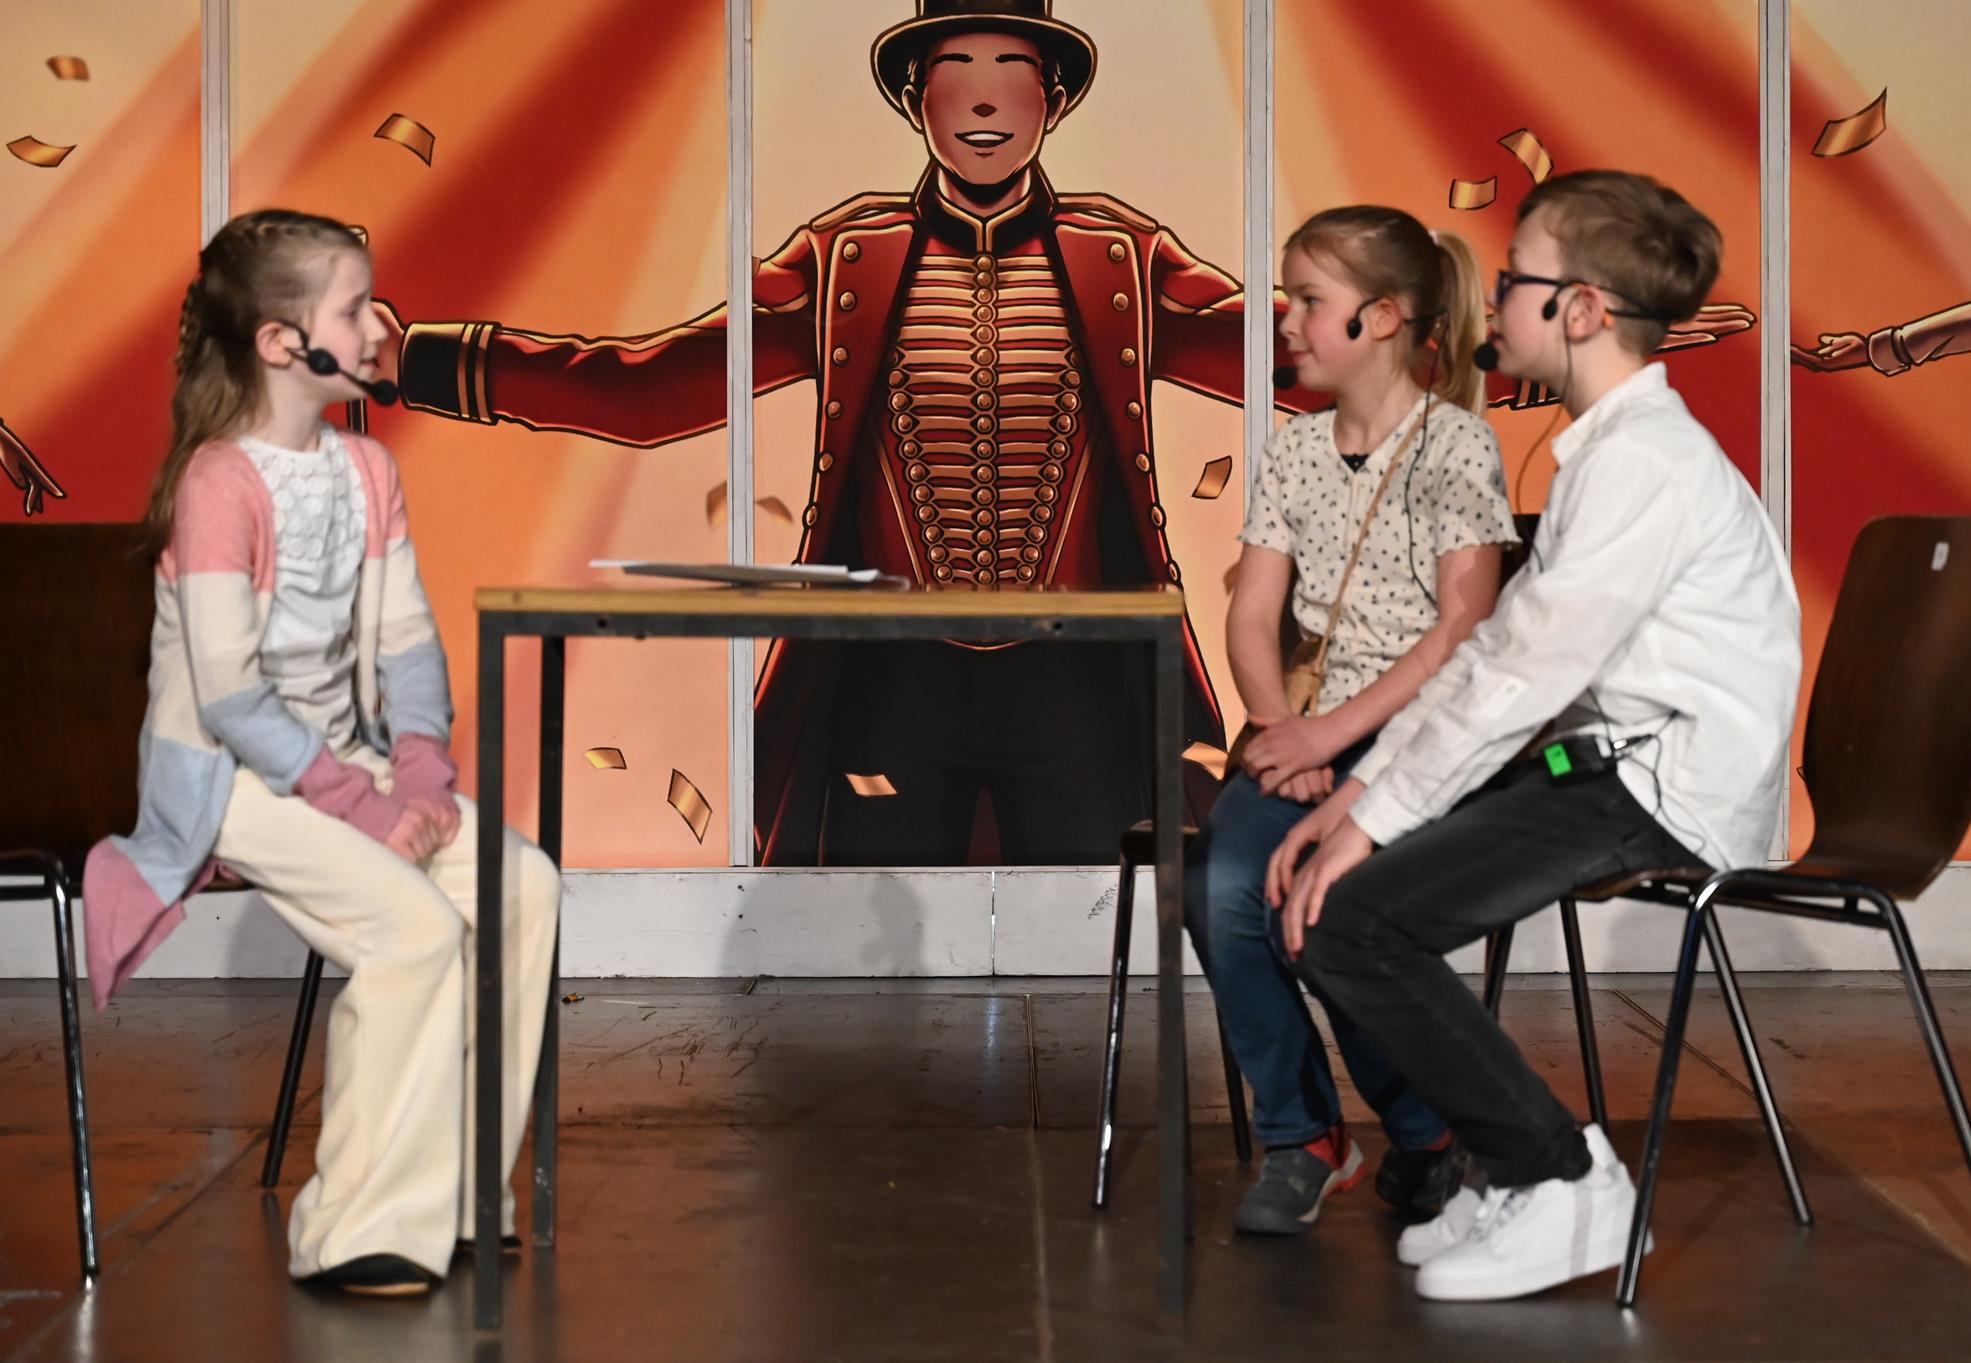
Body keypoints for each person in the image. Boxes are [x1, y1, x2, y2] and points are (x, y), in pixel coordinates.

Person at [374, 0, 1323, 865]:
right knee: (864, 938)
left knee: (1096, 925)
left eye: (1011, 70)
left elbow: (1279, 352)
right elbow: (653, 387)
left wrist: (1406, 344)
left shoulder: (1116, 258)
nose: (984, 101)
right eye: (956, 69)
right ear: (915, 97)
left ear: (1054, 100)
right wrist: (424, 362)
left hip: (1078, 681)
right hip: (891, 681)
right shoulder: (847, 262)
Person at [1270, 170, 1801, 1300]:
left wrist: (1369, 818)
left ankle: (1556, 1177)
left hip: (1662, 785)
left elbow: (1522, 674)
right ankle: (1523, 1169)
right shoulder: (1605, 453)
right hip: (1604, 763)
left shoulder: (1645, 464)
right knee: (1349, 905)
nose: (1497, 295)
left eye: (1517, 277)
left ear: (1582, 309)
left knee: (1353, 924)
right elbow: (1500, 659)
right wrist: (1354, 799)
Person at [83, 209, 561, 1297]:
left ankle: (458, 1196)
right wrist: (365, 806)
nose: (378, 325)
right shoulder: (219, 483)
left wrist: (422, 774)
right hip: (237, 780)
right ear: (281, 343)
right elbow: (230, 695)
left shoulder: (365, 469)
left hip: (348, 772)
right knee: (412, 931)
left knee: (522, 887)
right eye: (354, 309)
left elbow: (407, 643)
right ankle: (351, 1228)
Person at [1193, 205, 1517, 1235]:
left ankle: (1424, 1128)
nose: (1286, 320)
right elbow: (1252, 613)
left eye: (1306, 301)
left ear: (1378, 318)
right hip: (1304, 731)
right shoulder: (1292, 450)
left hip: (1415, 740)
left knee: (1321, 906)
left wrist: (1328, 742)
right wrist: (1276, 726)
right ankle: (1306, 1137)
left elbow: (1462, 628)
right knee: (1220, 887)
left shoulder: (1456, 444)